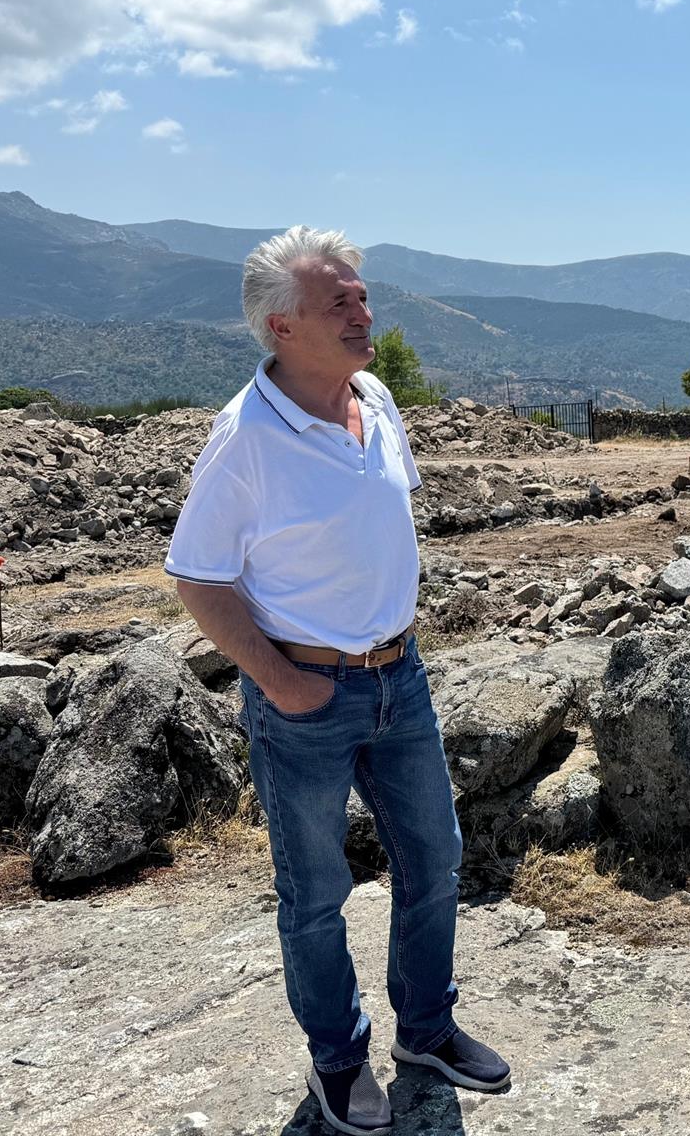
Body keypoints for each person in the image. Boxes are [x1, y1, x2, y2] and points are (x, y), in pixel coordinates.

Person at [169, 226, 511, 1136]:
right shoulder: (245, 439)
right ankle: (338, 1059)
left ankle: (426, 1032)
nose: (365, 314)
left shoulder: (376, 398)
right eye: (341, 303)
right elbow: (198, 578)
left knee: (434, 861)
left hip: (402, 678)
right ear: (282, 327)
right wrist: (281, 684)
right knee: (317, 894)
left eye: (362, 297)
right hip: (306, 698)